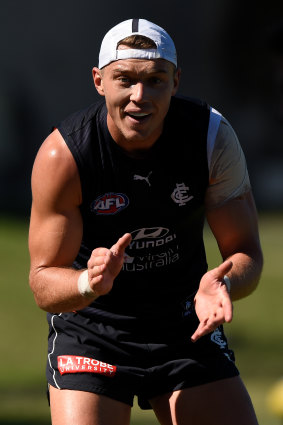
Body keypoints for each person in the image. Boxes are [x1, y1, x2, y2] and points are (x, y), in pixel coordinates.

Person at [29, 18, 263, 425]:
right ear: (99, 81)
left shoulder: (211, 139)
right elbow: (43, 281)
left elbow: (245, 253)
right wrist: (89, 281)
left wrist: (221, 283)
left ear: (175, 82)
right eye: (125, 79)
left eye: (155, 79)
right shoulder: (64, 155)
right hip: (93, 328)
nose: (140, 96)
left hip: (184, 323)